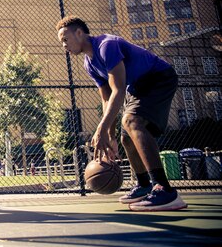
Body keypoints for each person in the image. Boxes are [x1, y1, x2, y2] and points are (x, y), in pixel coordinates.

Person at [56, 16, 187, 211]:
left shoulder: (106, 46)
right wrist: (110, 135)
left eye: (65, 40)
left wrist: (100, 129)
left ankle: (164, 190)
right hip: (137, 86)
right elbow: (106, 98)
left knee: (132, 121)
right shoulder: (89, 63)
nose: (64, 46)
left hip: (158, 78)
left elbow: (118, 89)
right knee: (126, 138)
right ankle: (144, 185)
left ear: (79, 33)